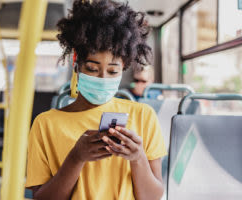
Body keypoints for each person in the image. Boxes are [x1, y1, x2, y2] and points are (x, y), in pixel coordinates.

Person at [25, 0, 167, 199]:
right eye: (92, 68)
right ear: (77, 63)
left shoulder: (143, 116)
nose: (102, 79)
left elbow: (153, 197)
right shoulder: (45, 124)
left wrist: (138, 158)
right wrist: (76, 158)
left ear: (123, 67)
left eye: (112, 71)